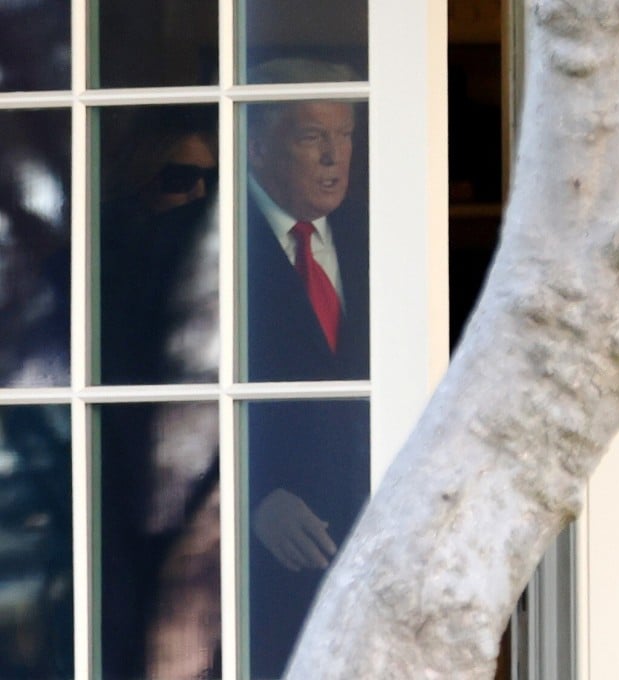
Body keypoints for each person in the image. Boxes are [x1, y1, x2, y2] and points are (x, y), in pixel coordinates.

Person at [244, 59, 370, 678]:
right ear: (257, 144)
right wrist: (248, 497)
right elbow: (148, 412)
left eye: (344, 136)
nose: (333, 157)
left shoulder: (387, 236)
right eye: (311, 137)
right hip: (254, 581)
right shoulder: (200, 242)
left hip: (375, 556)